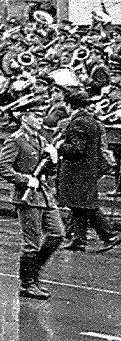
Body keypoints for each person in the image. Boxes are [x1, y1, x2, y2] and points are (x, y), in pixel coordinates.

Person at [0, 101, 64, 299]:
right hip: (27, 197)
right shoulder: (16, 140)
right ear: (24, 118)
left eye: (41, 116)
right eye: (35, 116)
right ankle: (27, 284)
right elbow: (2, 167)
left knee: (57, 234)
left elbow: (49, 171)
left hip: (43, 194)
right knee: (31, 242)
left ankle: (34, 272)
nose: (40, 119)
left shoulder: (41, 140)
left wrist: (53, 159)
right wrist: (25, 180)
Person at [56, 87, 116, 252]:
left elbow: (77, 150)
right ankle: (79, 239)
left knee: (87, 206)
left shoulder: (78, 123)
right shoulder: (92, 121)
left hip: (77, 171)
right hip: (86, 169)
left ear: (70, 105)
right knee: (79, 206)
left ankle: (108, 235)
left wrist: (60, 145)